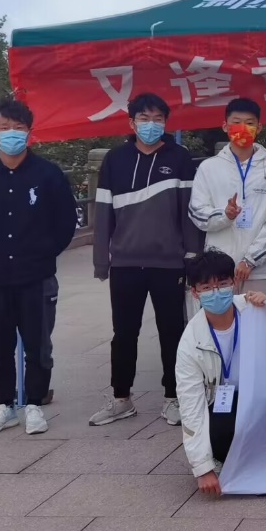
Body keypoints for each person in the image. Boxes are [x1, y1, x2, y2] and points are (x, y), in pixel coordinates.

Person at [90, 93, 203, 427]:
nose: (150, 125)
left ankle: (173, 398)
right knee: (124, 333)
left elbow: (189, 213)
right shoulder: (115, 159)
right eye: (144, 118)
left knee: (172, 332)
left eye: (157, 119)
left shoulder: (180, 158)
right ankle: (121, 399)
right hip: (125, 263)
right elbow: (103, 212)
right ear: (131, 122)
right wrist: (101, 260)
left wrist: (192, 256)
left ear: (165, 122)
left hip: (169, 263)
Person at [0, 99, 77, 436]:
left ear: (29, 133)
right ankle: (4, 405)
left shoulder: (48, 175)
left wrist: (42, 253)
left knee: (38, 345)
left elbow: (65, 222)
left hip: (36, 275)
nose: (12, 134)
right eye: (5, 128)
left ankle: (33, 404)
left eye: (18, 128)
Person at [176, 248, 266, 496]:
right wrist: (202, 468)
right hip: (224, 403)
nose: (216, 292)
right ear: (195, 293)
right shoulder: (190, 343)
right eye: (207, 288)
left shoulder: (253, 310)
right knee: (221, 436)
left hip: (262, 395)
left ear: (234, 283)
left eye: (222, 284)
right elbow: (191, 405)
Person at [189, 97, 266, 298]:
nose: (243, 128)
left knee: (258, 318)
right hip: (217, 273)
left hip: (259, 271)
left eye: (249, 123)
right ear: (225, 126)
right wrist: (225, 215)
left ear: (259, 127)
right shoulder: (208, 168)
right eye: (236, 122)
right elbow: (197, 213)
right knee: (219, 319)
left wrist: (251, 260)